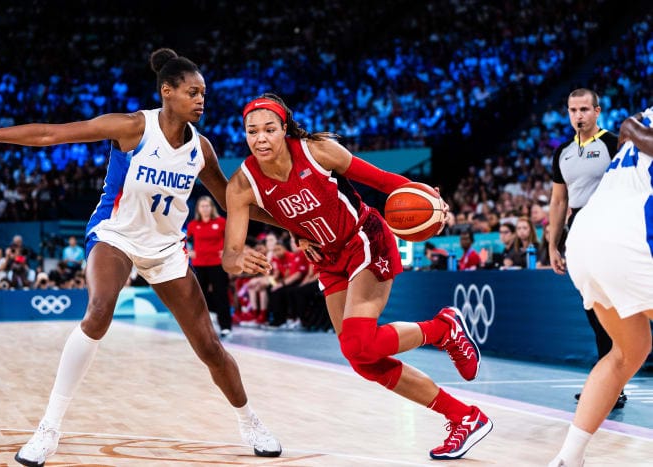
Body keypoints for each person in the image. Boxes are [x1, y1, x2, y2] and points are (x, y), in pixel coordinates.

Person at [0, 48, 281, 466]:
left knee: (209, 347)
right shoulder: (132, 127)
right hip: (116, 235)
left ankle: (250, 421)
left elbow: (234, 202)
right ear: (167, 91)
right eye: (193, 92)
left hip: (166, 248)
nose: (202, 100)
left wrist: (300, 226)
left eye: (203, 93)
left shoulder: (202, 149)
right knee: (99, 310)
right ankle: (48, 429)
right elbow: (50, 135)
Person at [222, 93, 492, 460]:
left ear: (284, 129)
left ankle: (443, 329)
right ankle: (464, 416)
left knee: (360, 343)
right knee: (362, 360)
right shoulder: (242, 184)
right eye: (252, 131)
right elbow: (229, 255)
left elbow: (383, 181)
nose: (260, 138)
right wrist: (239, 259)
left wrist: (429, 199)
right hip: (328, 258)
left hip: (364, 238)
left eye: (269, 129)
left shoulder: (317, 151)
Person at [547, 108, 653, 467]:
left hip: (585, 237)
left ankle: (569, 457)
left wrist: (632, 129)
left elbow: (628, 129)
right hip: (631, 237)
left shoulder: (640, 118)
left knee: (627, 352)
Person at [548, 88, 625, 408]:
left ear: (597, 111)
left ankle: (613, 382)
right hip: (578, 231)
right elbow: (558, 201)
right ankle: (610, 383)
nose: (578, 115)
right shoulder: (562, 152)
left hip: (611, 228)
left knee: (615, 308)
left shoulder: (614, 143)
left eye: (584, 109)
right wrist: (552, 245)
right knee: (593, 309)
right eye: (573, 110)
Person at [185, 195, 232, 337]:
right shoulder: (193, 224)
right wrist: (188, 252)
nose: (205, 209)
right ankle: (201, 328)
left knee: (221, 295)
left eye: (207, 206)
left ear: (212, 208)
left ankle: (225, 326)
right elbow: (183, 240)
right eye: (202, 206)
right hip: (199, 265)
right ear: (198, 209)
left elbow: (232, 238)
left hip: (217, 264)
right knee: (200, 297)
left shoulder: (221, 222)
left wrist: (227, 250)